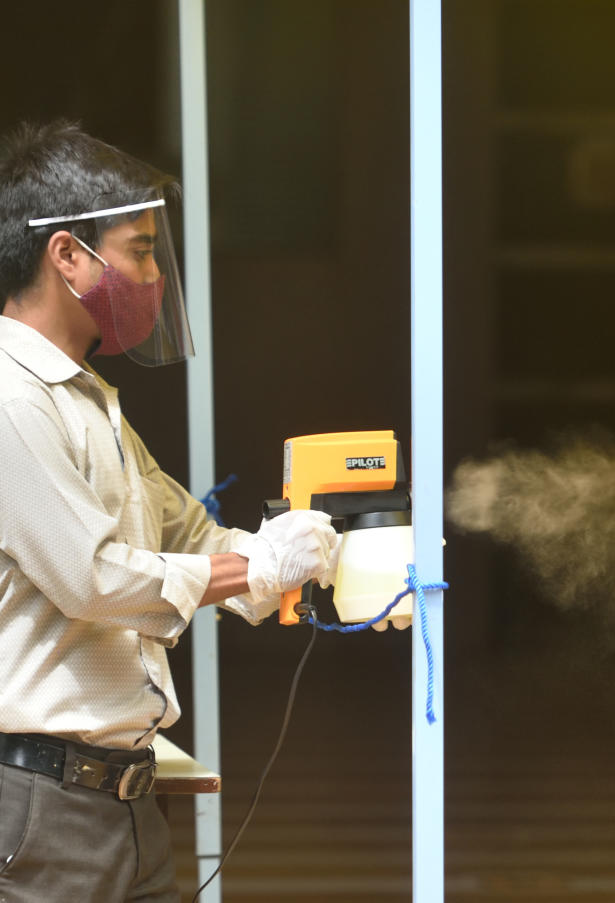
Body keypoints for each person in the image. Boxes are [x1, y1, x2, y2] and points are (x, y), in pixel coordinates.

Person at [0, 121, 339, 902]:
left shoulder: (90, 403)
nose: (154, 275)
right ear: (66, 255)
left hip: (127, 800)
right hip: (42, 810)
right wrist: (251, 566)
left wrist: (299, 550)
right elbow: (92, 577)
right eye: (142, 250)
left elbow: (191, 533)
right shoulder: (15, 400)